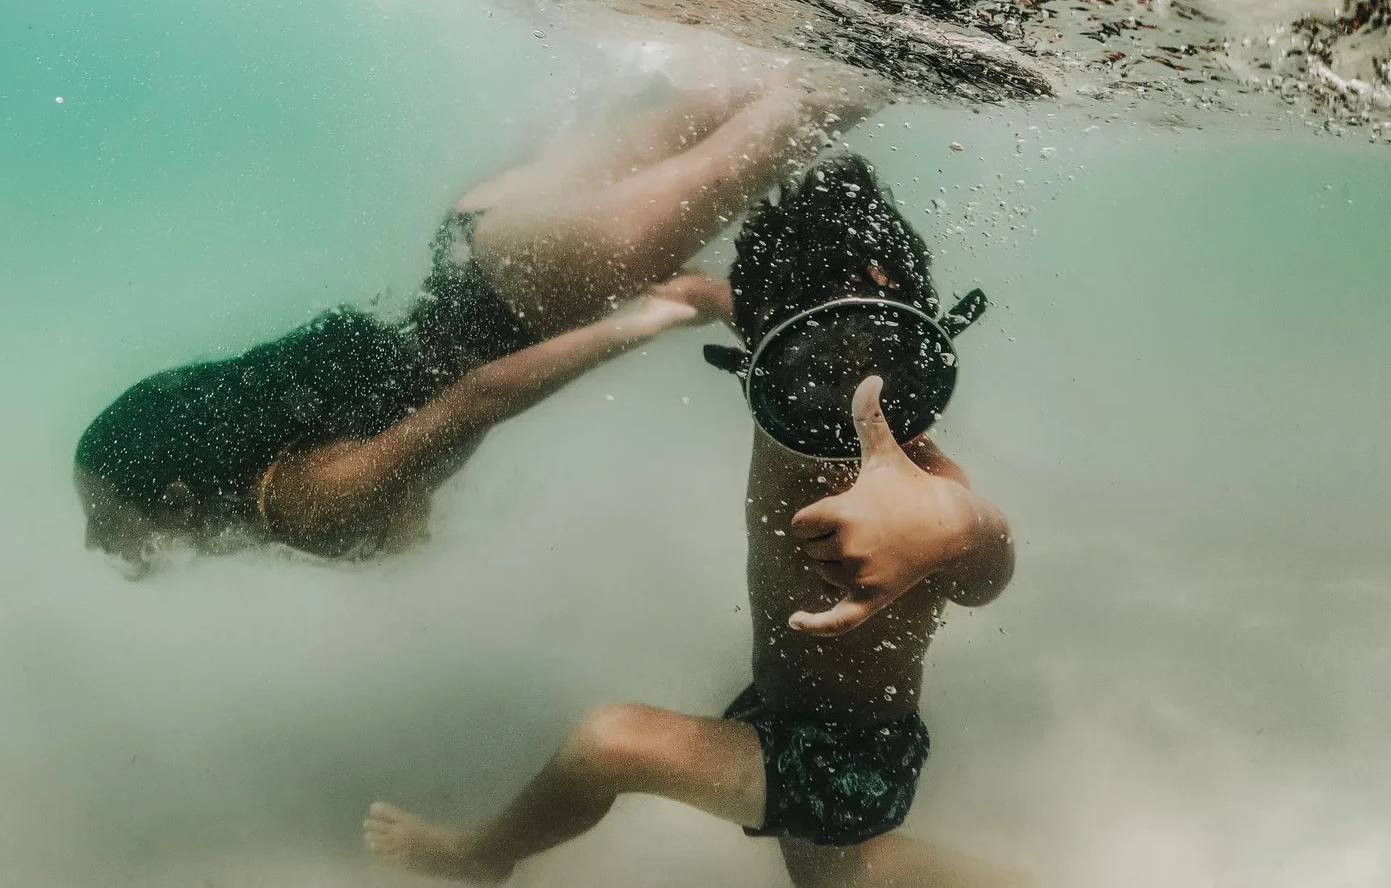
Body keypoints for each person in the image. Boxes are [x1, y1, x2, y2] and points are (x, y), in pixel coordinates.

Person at [364, 156, 1018, 888]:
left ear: (917, 341)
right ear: (772, 347)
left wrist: (955, 527)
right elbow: (765, 308)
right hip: (784, 705)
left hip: (848, 757)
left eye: (880, 356)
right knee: (844, 879)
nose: (849, 391)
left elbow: (985, 554)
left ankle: (482, 855)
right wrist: (707, 293)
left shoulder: (916, 476)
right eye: (818, 361)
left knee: (607, 743)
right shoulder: (776, 373)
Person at [74, 67, 884, 568]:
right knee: (785, 75)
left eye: (106, 512)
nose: (96, 540)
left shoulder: (294, 504)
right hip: (474, 242)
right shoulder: (282, 461)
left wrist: (654, 316)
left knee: (801, 107)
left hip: (524, 297)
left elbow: (478, 396)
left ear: (177, 490)